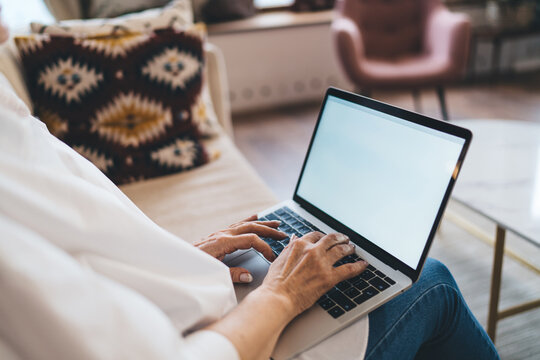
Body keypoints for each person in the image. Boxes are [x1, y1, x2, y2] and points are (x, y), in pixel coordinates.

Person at [0, 83, 499, 360]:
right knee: (430, 280)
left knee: (299, 240)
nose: (5, 30)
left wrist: (177, 259)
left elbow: (72, 256)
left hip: (186, 308)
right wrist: (281, 295)